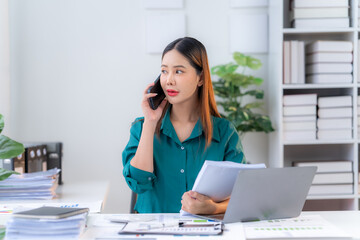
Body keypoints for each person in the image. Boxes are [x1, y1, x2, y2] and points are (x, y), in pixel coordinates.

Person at [122, 37, 245, 214]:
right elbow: (138, 183)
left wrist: (213, 207)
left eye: (178, 72)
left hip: (203, 231)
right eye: (164, 72)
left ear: (200, 78)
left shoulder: (224, 132)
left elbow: (239, 193)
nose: (169, 80)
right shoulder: (141, 128)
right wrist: (150, 123)